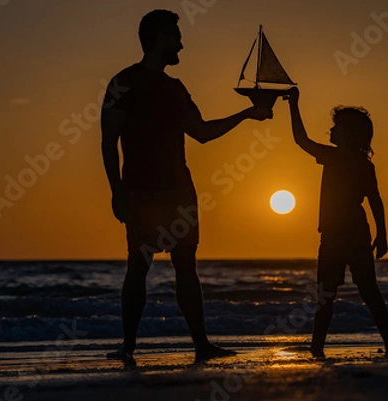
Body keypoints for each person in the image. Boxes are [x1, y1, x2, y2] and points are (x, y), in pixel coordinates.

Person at [101, 9, 272, 366]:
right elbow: (108, 141)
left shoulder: (176, 88)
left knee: (186, 265)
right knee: (139, 263)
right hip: (142, 192)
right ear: (160, 37)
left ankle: (201, 345)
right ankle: (128, 347)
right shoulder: (122, 82)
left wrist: (245, 115)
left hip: (179, 191)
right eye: (176, 36)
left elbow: (203, 133)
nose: (181, 44)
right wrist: (117, 191)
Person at [285, 87, 388, 357]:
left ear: (350, 134)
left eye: (336, 127)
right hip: (347, 234)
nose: (331, 130)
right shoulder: (359, 163)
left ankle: (318, 349)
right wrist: (382, 234)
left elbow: (300, 140)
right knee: (363, 291)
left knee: (329, 295)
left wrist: (294, 105)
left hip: (342, 235)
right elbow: (375, 201)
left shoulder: (339, 158)